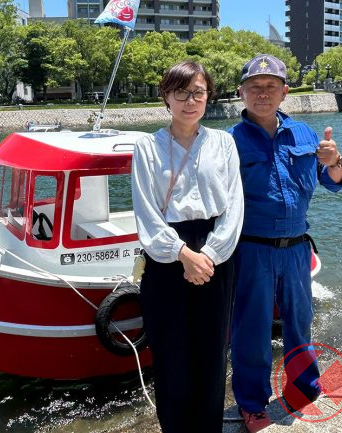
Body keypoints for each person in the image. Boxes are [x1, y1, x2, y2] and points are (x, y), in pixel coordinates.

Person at [229, 54, 342, 433]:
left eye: (271, 87)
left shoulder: (306, 135)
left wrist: (335, 160)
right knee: (251, 329)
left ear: (284, 92)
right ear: (241, 93)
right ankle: (252, 404)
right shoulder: (228, 141)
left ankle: (304, 389)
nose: (262, 94)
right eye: (254, 87)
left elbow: (333, 182)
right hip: (252, 249)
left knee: (300, 322)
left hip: (298, 248)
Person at [131, 60, 244, 433]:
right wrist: (182, 254)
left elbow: (234, 206)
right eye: (181, 92)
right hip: (166, 256)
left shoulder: (224, 143)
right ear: (166, 97)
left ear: (209, 96)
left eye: (198, 92)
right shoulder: (147, 147)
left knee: (213, 353)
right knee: (171, 354)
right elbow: (146, 212)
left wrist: (208, 254)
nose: (190, 101)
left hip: (216, 255)